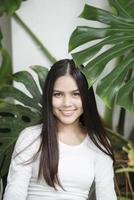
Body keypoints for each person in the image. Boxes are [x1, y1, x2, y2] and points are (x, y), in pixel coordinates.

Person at [3, 59, 117, 200]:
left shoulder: (98, 143)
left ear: (86, 97)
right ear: (48, 97)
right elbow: (15, 192)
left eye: (76, 94)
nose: (67, 103)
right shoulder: (30, 137)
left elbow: (107, 195)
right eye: (58, 94)